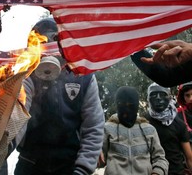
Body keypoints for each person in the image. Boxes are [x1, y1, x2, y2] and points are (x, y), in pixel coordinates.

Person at [14, 18, 105, 175]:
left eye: (55, 40)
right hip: (30, 162)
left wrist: (82, 170)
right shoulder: (27, 74)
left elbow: (93, 126)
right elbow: (17, 118)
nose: (50, 47)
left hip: (70, 165)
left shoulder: (83, 75)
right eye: (44, 42)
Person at [101, 86, 168, 175]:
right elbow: (97, 157)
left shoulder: (149, 129)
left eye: (131, 105)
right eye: (121, 104)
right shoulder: (107, 128)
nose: (126, 110)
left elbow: (160, 158)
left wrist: (157, 172)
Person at [146, 82, 192, 175]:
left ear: (169, 97)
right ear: (148, 99)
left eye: (163, 94)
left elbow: (189, 158)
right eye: (153, 95)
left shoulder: (179, 123)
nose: (158, 98)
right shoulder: (143, 123)